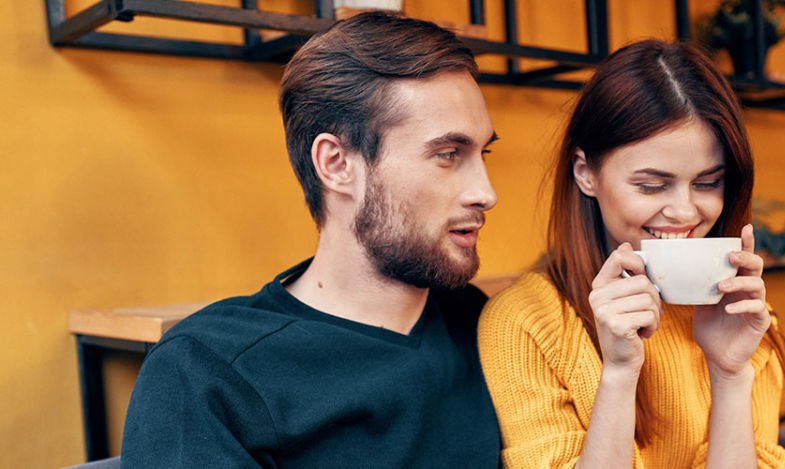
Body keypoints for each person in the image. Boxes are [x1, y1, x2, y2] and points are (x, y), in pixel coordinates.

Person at [122, 12, 501, 468]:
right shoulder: (206, 372)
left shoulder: (479, 324)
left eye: (484, 153)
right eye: (447, 155)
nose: (486, 193)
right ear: (337, 163)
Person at [478, 39, 785, 468]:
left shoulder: (740, 317)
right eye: (651, 185)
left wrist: (729, 374)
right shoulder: (524, 323)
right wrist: (619, 373)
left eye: (707, 183)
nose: (685, 211)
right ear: (585, 173)